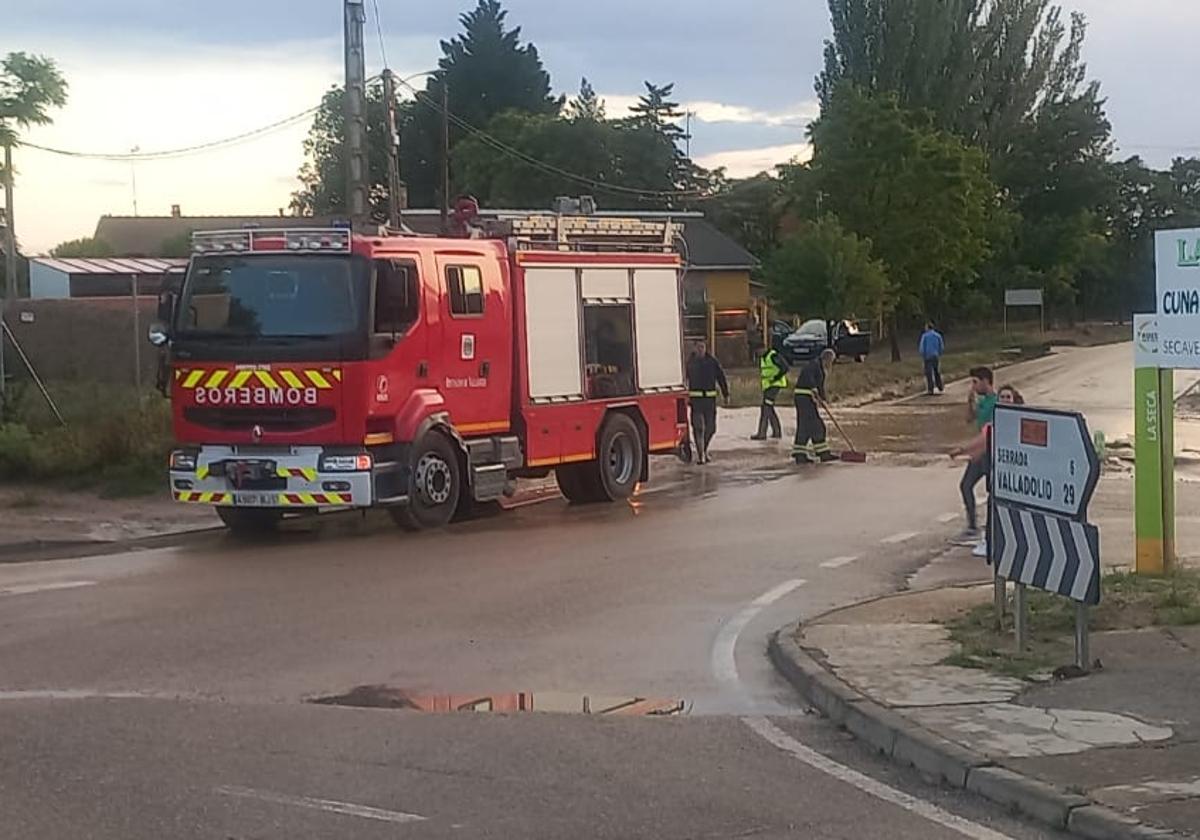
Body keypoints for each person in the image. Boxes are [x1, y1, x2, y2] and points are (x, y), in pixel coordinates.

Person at [951, 385, 1025, 556]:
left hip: (1009, 468)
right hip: (990, 462)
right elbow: (984, 439)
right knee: (989, 497)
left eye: (1008, 397)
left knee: (1004, 502)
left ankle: (996, 538)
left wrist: (963, 450)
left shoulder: (1020, 421)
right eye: (1003, 397)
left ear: (1015, 400)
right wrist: (969, 453)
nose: (1005, 400)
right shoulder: (994, 421)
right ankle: (984, 534)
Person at [951, 367, 999, 544]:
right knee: (966, 485)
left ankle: (991, 527)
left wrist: (967, 450)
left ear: (986, 381)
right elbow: (970, 419)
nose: (973, 385)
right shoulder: (983, 401)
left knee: (992, 492)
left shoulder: (996, 402)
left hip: (989, 452)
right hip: (980, 451)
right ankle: (972, 526)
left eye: (975, 382)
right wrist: (970, 400)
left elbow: (988, 433)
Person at [686, 339, 730, 465]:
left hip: (710, 401)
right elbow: (684, 379)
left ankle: (704, 449)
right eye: (698, 347)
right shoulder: (690, 363)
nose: (700, 349)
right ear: (694, 348)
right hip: (696, 402)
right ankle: (701, 456)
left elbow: (721, 377)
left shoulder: (712, 362)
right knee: (698, 428)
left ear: (706, 348)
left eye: (702, 347)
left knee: (711, 428)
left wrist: (726, 394)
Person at [792, 349, 837, 465]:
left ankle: (800, 454)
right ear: (826, 359)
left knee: (805, 426)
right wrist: (813, 388)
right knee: (816, 425)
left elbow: (820, 386)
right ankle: (822, 453)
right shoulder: (813, 365)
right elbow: (809, 377)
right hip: (804, 398)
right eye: (831, 361)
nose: (831, 364)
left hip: (807, 399)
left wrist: (824, 399)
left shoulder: (820, 369)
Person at [751, 339, 790, 441]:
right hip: (768, 386)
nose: (757, 353)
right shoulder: (763, 358)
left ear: (763, 349)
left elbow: (785, 367)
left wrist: (775, 378)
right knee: (769, 408)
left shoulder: (773, 356)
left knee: (766, 408)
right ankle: (777, 432)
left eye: (758, 351)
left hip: (774, 386)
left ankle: (762, 433)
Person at [919, 322, 945, 395]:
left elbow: (922, 347)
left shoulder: (925, 336)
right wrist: (939, 353)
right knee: (937, 371)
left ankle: (930, 389)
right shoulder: (937, 335)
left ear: (927, 328)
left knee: (929, 373)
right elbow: (941, 346)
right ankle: (940, 386)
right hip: (935, 356)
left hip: (927, 356)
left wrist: (922, 354)